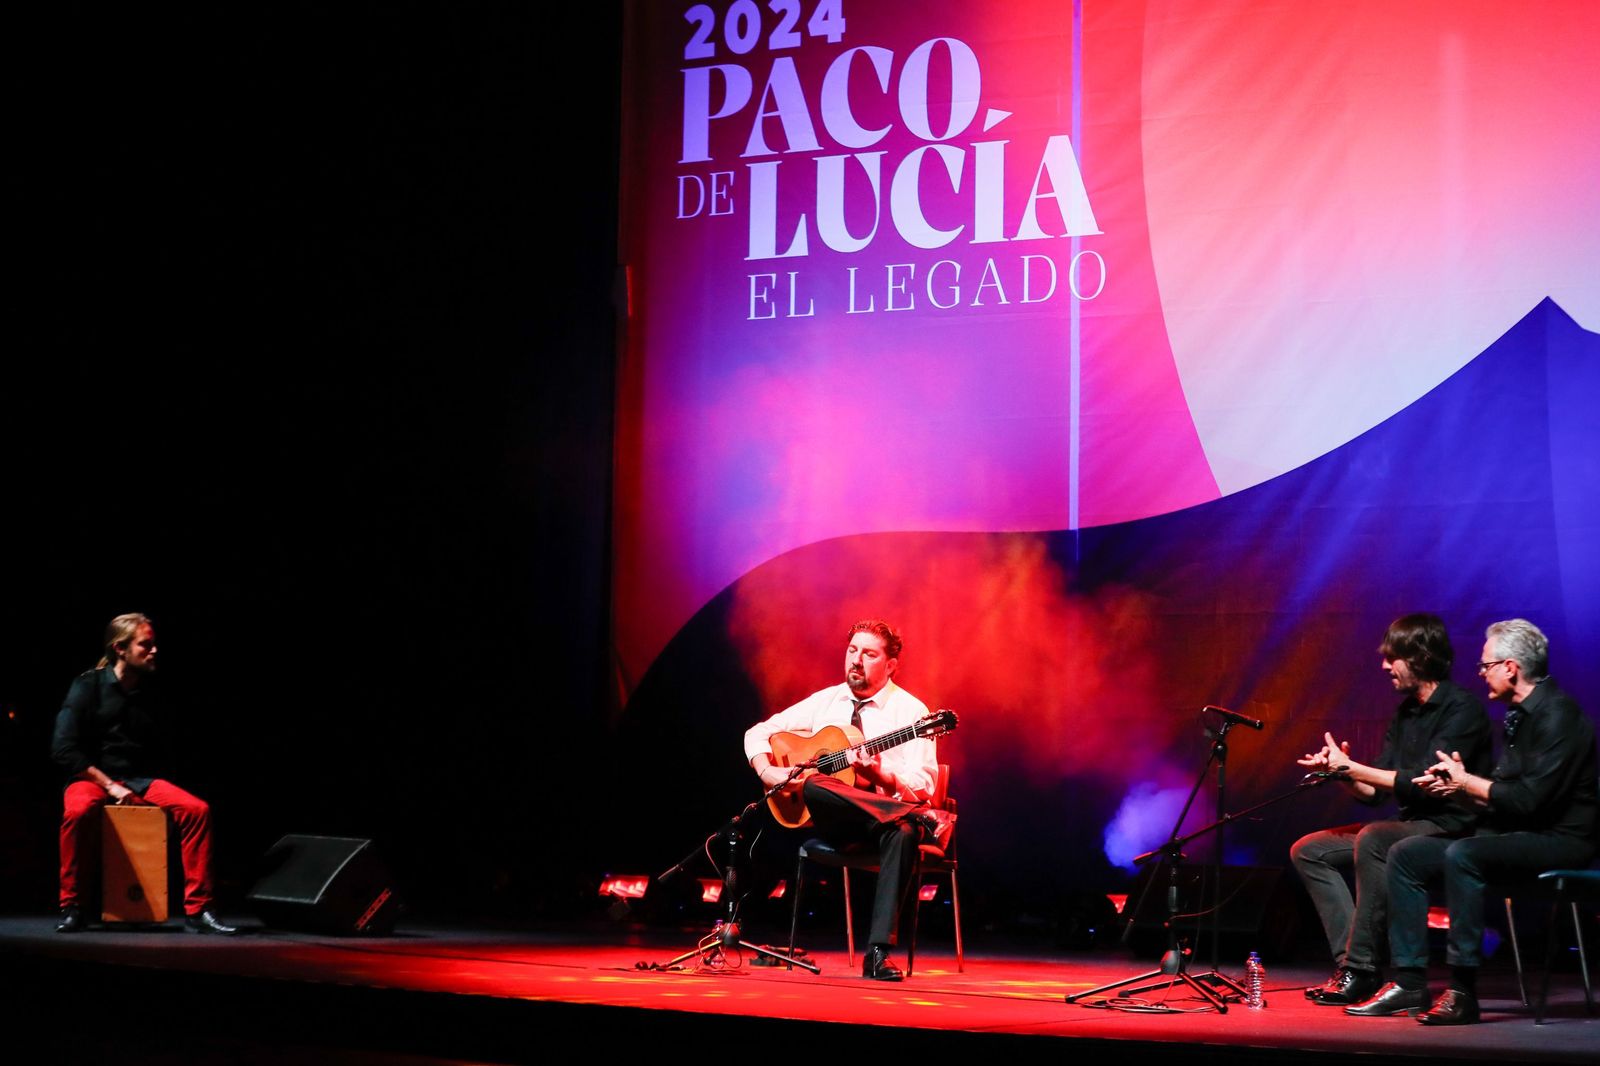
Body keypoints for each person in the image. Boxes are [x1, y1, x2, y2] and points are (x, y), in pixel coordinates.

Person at [1346, 619, 1598, 1024]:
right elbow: (1508, 795)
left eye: (1486, 666)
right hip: (1518, 829)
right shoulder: (1520, 714)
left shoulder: (1558, 716)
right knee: (1407, 853)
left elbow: (1530, 802)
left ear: (1510, 667)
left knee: (1464, 853)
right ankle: (1409, 981)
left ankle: (1463, 990)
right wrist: (1460, 788)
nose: (1481, 673)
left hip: (1560, 840)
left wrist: (1467, 783)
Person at [1290, 614, 1492, 1004]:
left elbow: (1421, 780)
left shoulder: (1461, 709)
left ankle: (1362, 969)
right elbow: (1374, 791)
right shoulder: (1405, 713)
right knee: (1309, 850)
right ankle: (1352, 963)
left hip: (1452, 826)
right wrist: (1341, 773)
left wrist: (1356, 769)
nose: (1385, 666)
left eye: (1393, 657)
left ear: (1418, 657)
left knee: (1377, 837)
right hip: (1412, 823)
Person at [743, 619, 945, 981]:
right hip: (837, 822)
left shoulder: (914, 714)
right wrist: (767, 772)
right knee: (817, 784)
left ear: (891, 664)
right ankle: (917, 818)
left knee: (902, 832)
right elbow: (758, 732)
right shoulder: (828, 700)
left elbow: (924, 784)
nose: (856, 660)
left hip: (880, 828)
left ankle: (878, 955)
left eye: (868, 654)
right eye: (852, 651)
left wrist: (879, 777)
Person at [51, 613, 237, 934]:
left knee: (197, 810)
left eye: (153, 644)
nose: (153, 651)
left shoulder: (152, 693)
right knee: (78, 812)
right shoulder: (88, 685)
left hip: (137, 779)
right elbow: (63, 749)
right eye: (145, 645)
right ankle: (73, 906)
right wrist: (109, 786)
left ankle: (199, 909)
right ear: (120, 648)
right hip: (92, 778)